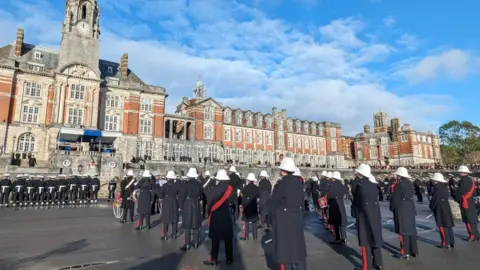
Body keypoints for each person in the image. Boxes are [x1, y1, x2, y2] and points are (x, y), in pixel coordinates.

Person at [269, 157, 307, 270]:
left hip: (283, 220)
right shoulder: (299, 183)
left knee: (285, 251)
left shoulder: (281, 184)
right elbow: (302, 200)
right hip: (297, 217)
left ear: (282, 170)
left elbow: (273, 204)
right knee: (298, 248)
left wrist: (271, 220)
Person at [352, 164, 383, 270]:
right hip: (375, 214)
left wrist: (355, 213)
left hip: (364, 216)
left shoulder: (361, 185)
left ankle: (366, 266)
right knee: (375, 239)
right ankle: (379, 263)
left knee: (366, 243)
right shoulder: (373, 184)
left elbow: (357, 202)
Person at [203, 169, 235, 266]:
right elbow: (233, 200)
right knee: (228, 239)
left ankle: (214, 259)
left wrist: (207, 213)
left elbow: (209, 202)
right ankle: (229, 259)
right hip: (227, 215)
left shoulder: (215, 189)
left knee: (215, 239)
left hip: (216, 215)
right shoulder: (231, 189)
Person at [390, 167, 418, 259]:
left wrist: (392, 207)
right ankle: (414, 250)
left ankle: (404, 252)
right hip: (410, 207)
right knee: (411, 230)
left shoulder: (399, 184)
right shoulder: (409, 183)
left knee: (403, 231)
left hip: (402, 207)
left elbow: (395, 197)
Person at [178, 168, 204, 251]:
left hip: (187, 203)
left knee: (187, 226)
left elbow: (181, 196)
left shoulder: (186, 184)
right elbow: (201, 195)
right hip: (196, 203)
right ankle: (196, 243)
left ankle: (187, 244)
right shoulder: (199, 184)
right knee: (196, 224)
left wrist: (180, 206)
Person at [429, 173, 455, 249]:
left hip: (440, 209)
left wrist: (431, 206)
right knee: (448, 226)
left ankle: (445, 243)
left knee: (442, 225)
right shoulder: (444, 187)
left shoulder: (438, 188)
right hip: (446, 207)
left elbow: (435, 199)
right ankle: (451, 242)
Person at [454, 165, 479, 241]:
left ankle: (473, 236)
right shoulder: (470, 180)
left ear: (462, 172)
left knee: (468, 219)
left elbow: (460, 191)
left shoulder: (463, 181)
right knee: (472, 219)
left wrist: (456, 198)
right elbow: (474, 192)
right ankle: (476, 235)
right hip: (470, 200)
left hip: (465, 201)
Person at [327, 171, 348, 244]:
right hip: (341, 204)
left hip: (334, 205)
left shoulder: (331, 185)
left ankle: (338, 238)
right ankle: (344, 238)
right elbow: (345, 191)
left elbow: (329, 196)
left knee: (335, 223)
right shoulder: (342, 185)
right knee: (342, 223)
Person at [160, 171, 180, 240]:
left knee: (165, 219)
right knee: (174, 220)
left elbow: (161, 195)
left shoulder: (164, 185)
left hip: (166, 201)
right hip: (174, 201)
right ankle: (174, 235)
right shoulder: (177, 185)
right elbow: (179, 194)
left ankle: (165, 235)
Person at [240, 173, 260, 240]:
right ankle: (255, 236)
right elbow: (258, 196)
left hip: (247, 204)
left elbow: (243, 198)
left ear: (248, 180)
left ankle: (246, 235)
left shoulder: (245, 188)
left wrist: (242, 205)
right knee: (254, 221)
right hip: (254, 204)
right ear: (253, 181)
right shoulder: (257, 188)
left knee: (246, 221)